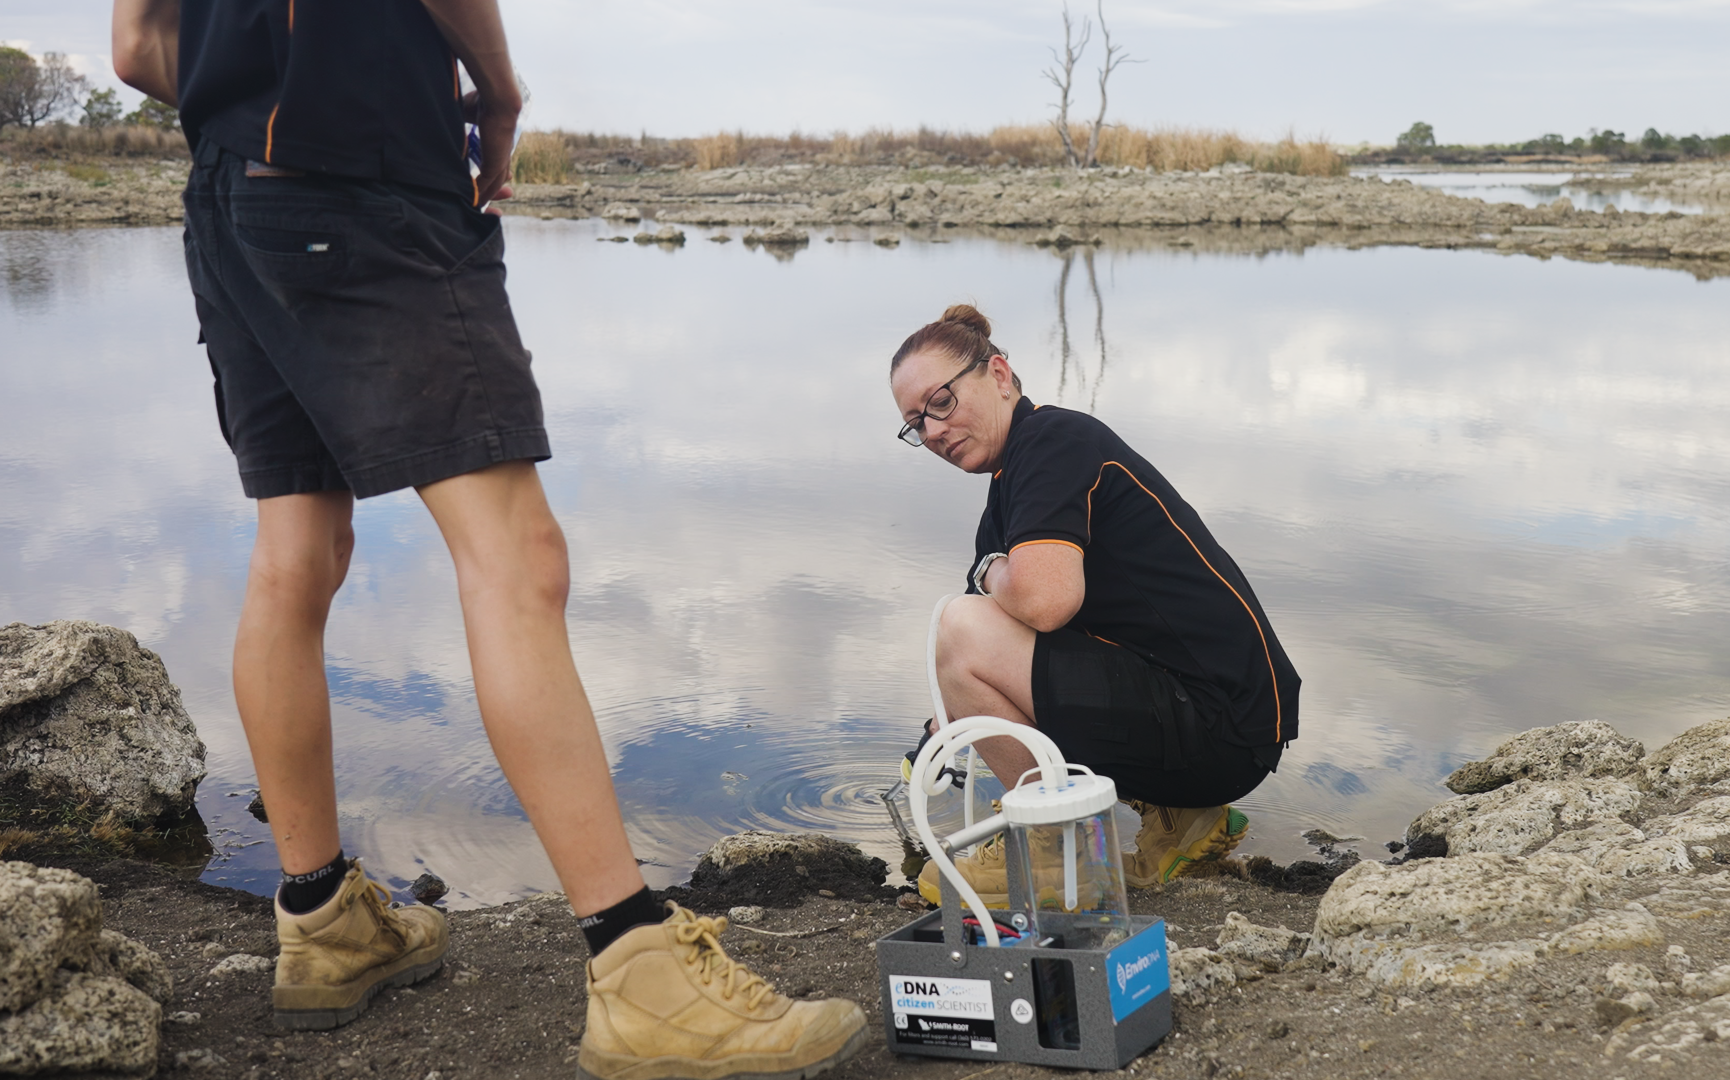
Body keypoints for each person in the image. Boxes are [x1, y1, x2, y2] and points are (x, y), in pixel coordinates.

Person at [110, 2, 867, 1075]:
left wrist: (252, 98)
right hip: (368, 183)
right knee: (517, 556)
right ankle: (640, 970)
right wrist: (499, 94)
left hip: (232, 202)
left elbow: (137, 51)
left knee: (297, 553)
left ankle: (324, 923)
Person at [890, 305, 1302, 904]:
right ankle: (1177, 819)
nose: (931, 431)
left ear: (999, 376)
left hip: (1219, 726)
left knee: (956, 628)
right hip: (1229, 724)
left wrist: (992, 576)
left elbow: (1046, 601)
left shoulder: (1053, 444)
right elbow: (1003, 646)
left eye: (941, 403)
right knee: (967, 640)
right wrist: (947, 722)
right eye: (915, 422)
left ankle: (1052, 848)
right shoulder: (1012, 485)